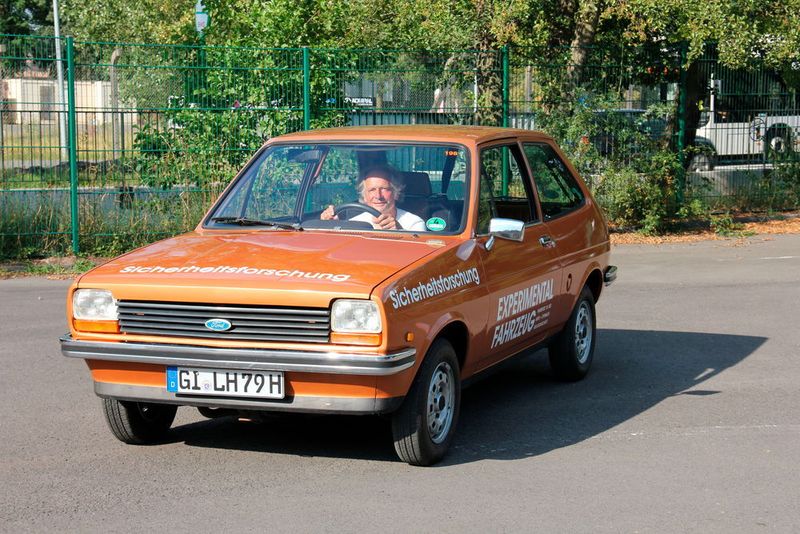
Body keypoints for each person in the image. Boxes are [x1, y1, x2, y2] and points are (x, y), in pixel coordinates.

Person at [320, 166, 426, 231]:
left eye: (384, 189)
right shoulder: (354, 224)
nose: (378, 196)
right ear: (364, 196)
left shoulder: (414, 224)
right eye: (372, 190)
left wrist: (400, 231)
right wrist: (331, 225)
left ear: (396, 193)